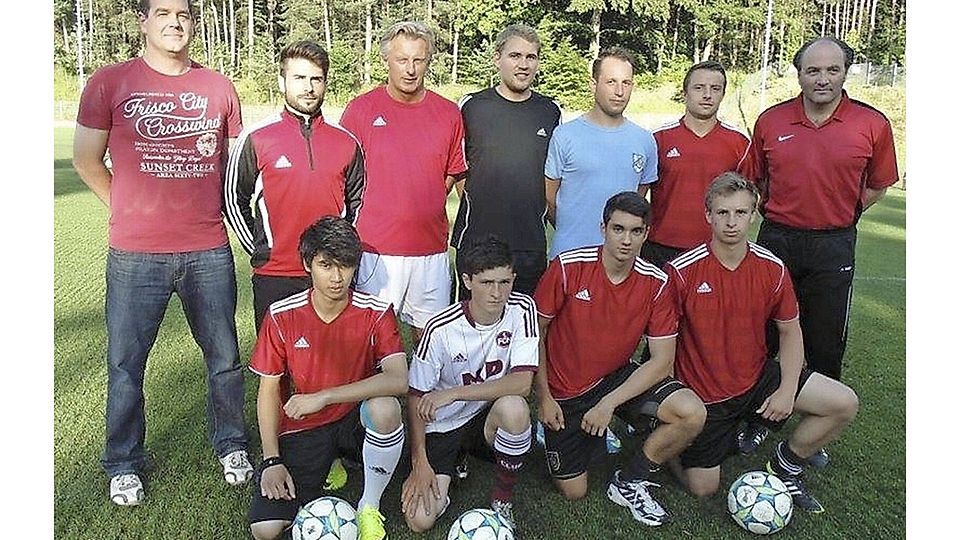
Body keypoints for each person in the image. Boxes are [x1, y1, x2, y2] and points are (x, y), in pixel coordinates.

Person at [72, 0, 250, 506]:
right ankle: (124, 462)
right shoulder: (110, 82)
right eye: (164, 12)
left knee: (224, 359)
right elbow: (85, 160)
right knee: (126, 365)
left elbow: (235, 169)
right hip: (135, 255)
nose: (175, 22)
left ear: (193, 24)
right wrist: (128, 209)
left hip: (208, 250)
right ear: (143, 21)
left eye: (184, 14)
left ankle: (232, 445)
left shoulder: (218, 88)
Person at [736, 37, 898, 457]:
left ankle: (812, 428)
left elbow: (878, 184)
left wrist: (839, 212)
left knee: (825, 341)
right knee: (763, 334)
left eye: (832, 70)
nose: (822, 79)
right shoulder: (771, 121)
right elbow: (757, 180)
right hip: (778, 240)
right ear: (799, 74)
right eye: (813, 70)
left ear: (846, 72)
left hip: (833, 244)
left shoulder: (872, 123)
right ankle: (756, 418)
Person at [668, 173, 859, 514]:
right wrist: (674, 403)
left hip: (756, 379)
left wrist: (786, 389)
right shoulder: (681, 271)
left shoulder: (772, 267)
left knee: (842, 402)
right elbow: (663, 343)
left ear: (754, 215)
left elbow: (789, 331)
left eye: (741, 213)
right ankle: (676, 445)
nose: (731, 222)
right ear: (708, 215)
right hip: (704, 393)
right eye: (723, 213)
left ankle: (786, 465)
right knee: (702, 488)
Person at [534, 191, 706, 527]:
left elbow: (661, 361)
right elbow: (535, 335)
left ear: (646, 233)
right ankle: (568, 431)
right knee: (574, 491)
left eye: (635, 231)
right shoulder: (568, 268)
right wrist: (544, 397)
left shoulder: (656, 283)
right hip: (565, 390)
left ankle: (630, 480)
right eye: (618, 229)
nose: (626, 240)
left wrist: (608, 404)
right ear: (603, 228)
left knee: (691, 412)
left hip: (615, 378)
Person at [247, 217, 407, 540]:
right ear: (308, 264)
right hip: (305, 425)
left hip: (355, 420)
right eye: (326, 265)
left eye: (346, 266)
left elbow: (399, 379)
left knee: (386, 408)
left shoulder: (376, 311)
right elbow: (267, 392)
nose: (337, 277)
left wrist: (326, 395)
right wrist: (270, 460)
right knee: (265, 529)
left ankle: (368, 506)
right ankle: (330, 462)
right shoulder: (282, 315)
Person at [225, 40, 365, 333]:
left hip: (330, 274)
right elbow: (233, 200)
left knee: (330, 365)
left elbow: (357, 205)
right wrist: (264, 248)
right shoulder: (257, 137)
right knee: (276, 368)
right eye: (299, 78)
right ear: (282, 81)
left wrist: (336, 253)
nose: (309, 87)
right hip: (275, 274)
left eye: (316, 78)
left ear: (326, 82)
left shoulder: (347, 142)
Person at [400, 235, 538, 532]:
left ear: (514, 278)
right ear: (467, 280)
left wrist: (455, 393)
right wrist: (419, 461)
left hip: (486, 417)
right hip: (443, 425)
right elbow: (415, 398)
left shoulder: (523, 309)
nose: (497, 293)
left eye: (504, 282)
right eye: (487, 282)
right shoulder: (440, 328)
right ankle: (450, 467)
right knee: (419, 520)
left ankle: (502, 498)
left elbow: (523, 383)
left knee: (515, 409)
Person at [340, 21, 468, 338]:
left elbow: (452, 171)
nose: (410, 69)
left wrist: (421, 202)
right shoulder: (361, 109)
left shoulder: (448, 113)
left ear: (428, 61)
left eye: (418, 60)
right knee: (371, 344)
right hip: (375, 250)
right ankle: (380, 391)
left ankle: (419, 391)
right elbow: (342, 174)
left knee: (430, 345)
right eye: (402, 60)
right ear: (386, 60)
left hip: (430, 251)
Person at [451, 24, 562, 298]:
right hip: (477, 241)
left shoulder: (551, 111)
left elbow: (554, 177)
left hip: (529, 244)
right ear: (497, 58)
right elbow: (458, 168)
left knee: (523, 330)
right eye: (515, 56)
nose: (523, 64)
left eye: (531, 57)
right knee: (473, 329)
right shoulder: (471, 107)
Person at [544, 47, 658, 261]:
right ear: (593, 85)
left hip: (620, 263)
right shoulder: (565, 135)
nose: (619, 91)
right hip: (570, 258)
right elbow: (549, 196)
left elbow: (638, 198)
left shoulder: (644, 140)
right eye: (611, 82)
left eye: (626, 83)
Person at [643, 60, 749, 269]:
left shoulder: (739, 143)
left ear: (722, 94)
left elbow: (748, 200)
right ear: (685, 93)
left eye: (715, 89)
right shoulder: (658, 139)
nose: (707, 95)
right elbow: (639, 195)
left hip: (717, 249)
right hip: (661, 249)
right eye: (699, 88)